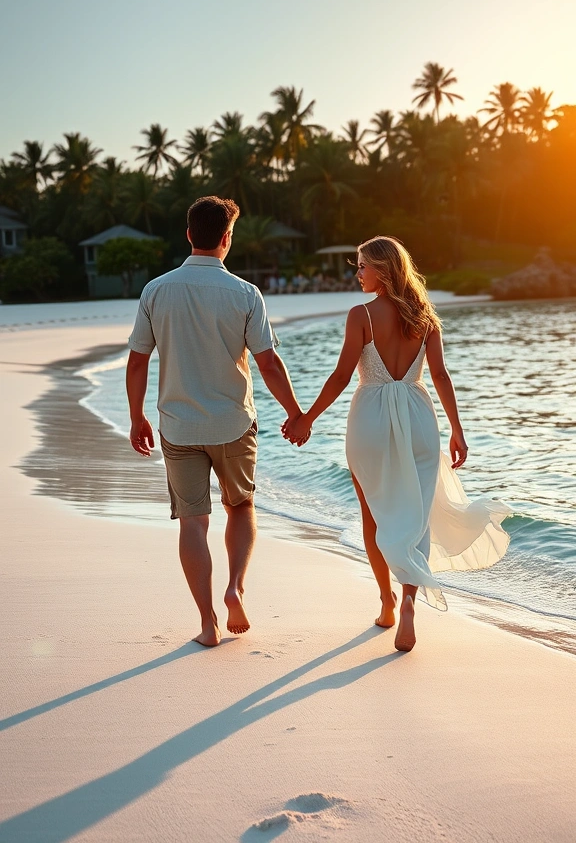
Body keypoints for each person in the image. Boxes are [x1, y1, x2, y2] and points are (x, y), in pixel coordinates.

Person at [283, 235, 510, 653]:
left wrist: (305, 420)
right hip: (420, 418)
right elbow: (440, 376)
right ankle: (408, 600)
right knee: (416, 516)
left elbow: (340, 376)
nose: (358, 273)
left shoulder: (361, 315)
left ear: (383, 271)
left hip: (369, 418)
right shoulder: (426, 317)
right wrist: (458, 430)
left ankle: (386, 602)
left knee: (373, 515)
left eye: (363, 266)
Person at [126, 196, 303, 647]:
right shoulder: (245, 293)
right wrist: (295, 413)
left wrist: (136, 417)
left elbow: (137, 362)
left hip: (179, 426)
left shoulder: (156, 290)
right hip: (232, 424)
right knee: (240, 506)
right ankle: (235, 587)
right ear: (227, 238)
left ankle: (207, 623)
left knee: (192, 522)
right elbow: (268, 364)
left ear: (189, 234)